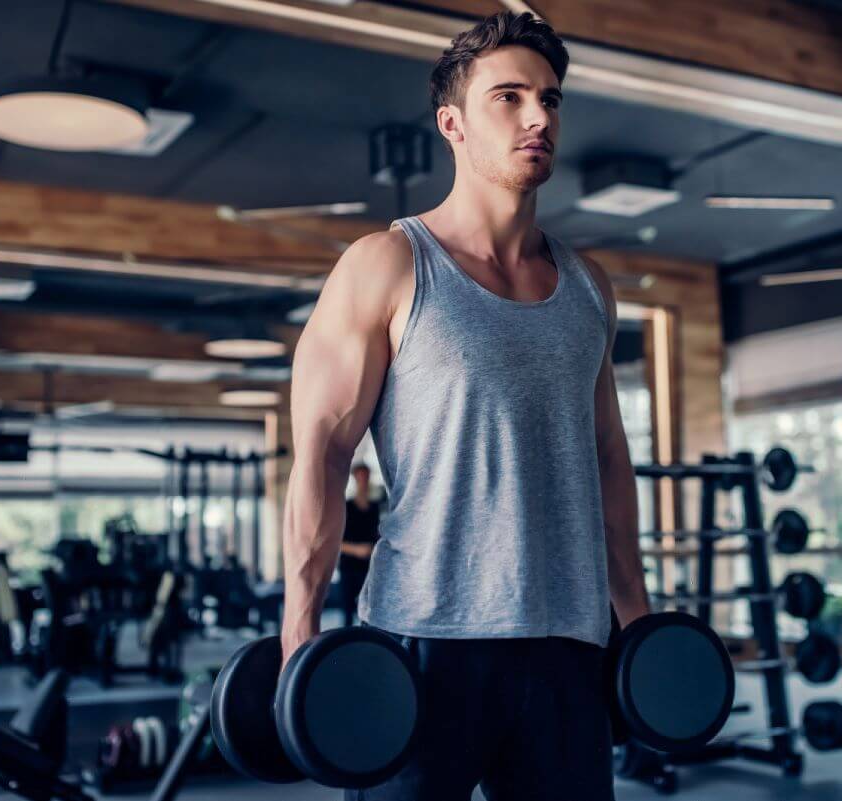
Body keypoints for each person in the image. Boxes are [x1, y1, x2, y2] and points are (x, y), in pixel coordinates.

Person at [280, 11, 650, 801]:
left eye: (550, 99)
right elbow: (322, 451)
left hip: (567, 645)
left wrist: (638, 618)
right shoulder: (387, 264)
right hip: (422, 642)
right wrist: (299, 629)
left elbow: (610, 459)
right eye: (508, 97)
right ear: (452, 122)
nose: (538, 117)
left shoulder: (590, 288)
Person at [338, 462, 379, 628]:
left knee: (370, 612)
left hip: (369, 567)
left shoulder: (375, 507)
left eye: (366, 477)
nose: (364, 480)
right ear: (355, 479)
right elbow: (335, 542)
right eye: (360, 477)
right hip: (349, 566)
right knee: (347, 611)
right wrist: (356, 550)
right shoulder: (346, 507)